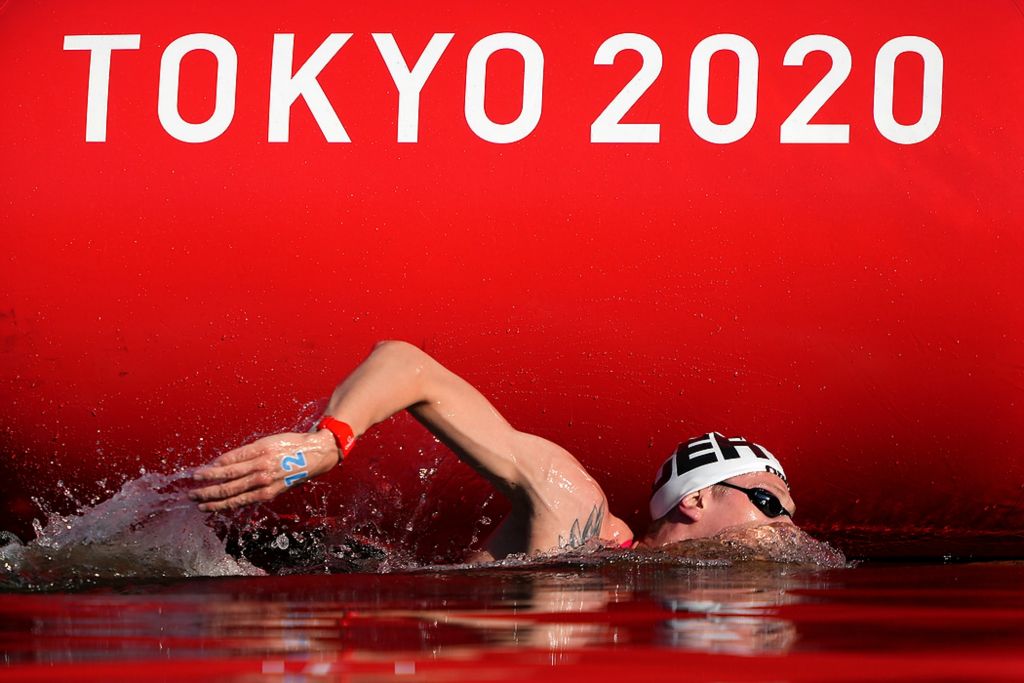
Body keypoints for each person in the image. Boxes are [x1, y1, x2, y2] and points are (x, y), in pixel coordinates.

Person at [190, 341, 796, 561]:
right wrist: (328, 444)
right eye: (770, 501)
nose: (787, 524)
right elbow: (409, 366)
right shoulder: (576, 508)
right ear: (695, 499)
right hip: (323, 581)